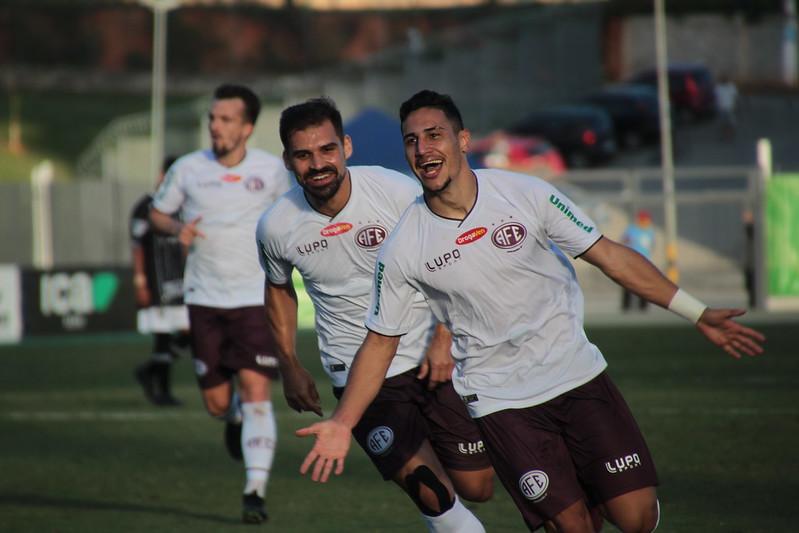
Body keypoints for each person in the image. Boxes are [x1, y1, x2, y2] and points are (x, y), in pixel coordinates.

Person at [296, 90, 766, 533]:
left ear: (462, 141)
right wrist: (343, 422)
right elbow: (380, 341)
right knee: (572, 526)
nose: (422, 149)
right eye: (411, 141)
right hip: (501, 400)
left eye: (434, 135)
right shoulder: (402, 247)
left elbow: (609, 256)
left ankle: (601, 491)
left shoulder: (526, 193)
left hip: (577, 374)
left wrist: (696, 311)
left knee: (635, 517)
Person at [256, 96, 494, 532]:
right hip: (358, 375)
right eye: (304, 155)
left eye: (327, 149)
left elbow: (447, 258)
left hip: (431, 361)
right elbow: (278, 290)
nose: (318, 163)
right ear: (288, 161)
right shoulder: (276, 226)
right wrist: (288, 364)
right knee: (431, 491)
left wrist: (444, 338)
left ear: (346, 146)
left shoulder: (397, 192)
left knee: (478, 487)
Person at [149, 84, 293, 524]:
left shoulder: (272, 171)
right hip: (204, 300)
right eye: (212, 118)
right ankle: (231, 419)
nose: (215, 126)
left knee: (256, 394)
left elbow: (292, 218)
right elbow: (157, 214)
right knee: (216, 403)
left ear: (247, 127)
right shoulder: (189, 168)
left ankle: (254, 491)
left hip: (254, 299)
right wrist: (175, 229)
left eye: (226, 119)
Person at [131, 155, 190, 407]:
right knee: (163, 338)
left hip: (181, 281)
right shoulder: (145, 207)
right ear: (160, 175)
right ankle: (163, 391)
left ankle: (148, 370)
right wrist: (140, 281)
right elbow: (137, 247)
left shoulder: (182, 207)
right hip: (157, 282)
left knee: (191, 333)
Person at [620, 209, 655, 312]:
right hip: (631, 260)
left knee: (644, 284)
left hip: (645, 260)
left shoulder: (649, 231)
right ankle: (626, 305)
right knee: (628, 283)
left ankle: (643, 305)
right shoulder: (632, 230)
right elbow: (624, 240)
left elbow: (652, 244)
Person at [715, 74, 738, 140]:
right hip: (721, 108)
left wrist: (736, 106)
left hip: (729, 108)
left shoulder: (731, 87)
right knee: (722, 124)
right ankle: (724, 136)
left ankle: (730, 136)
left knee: (731, 124)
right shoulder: (718, 87)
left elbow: (735, 97)